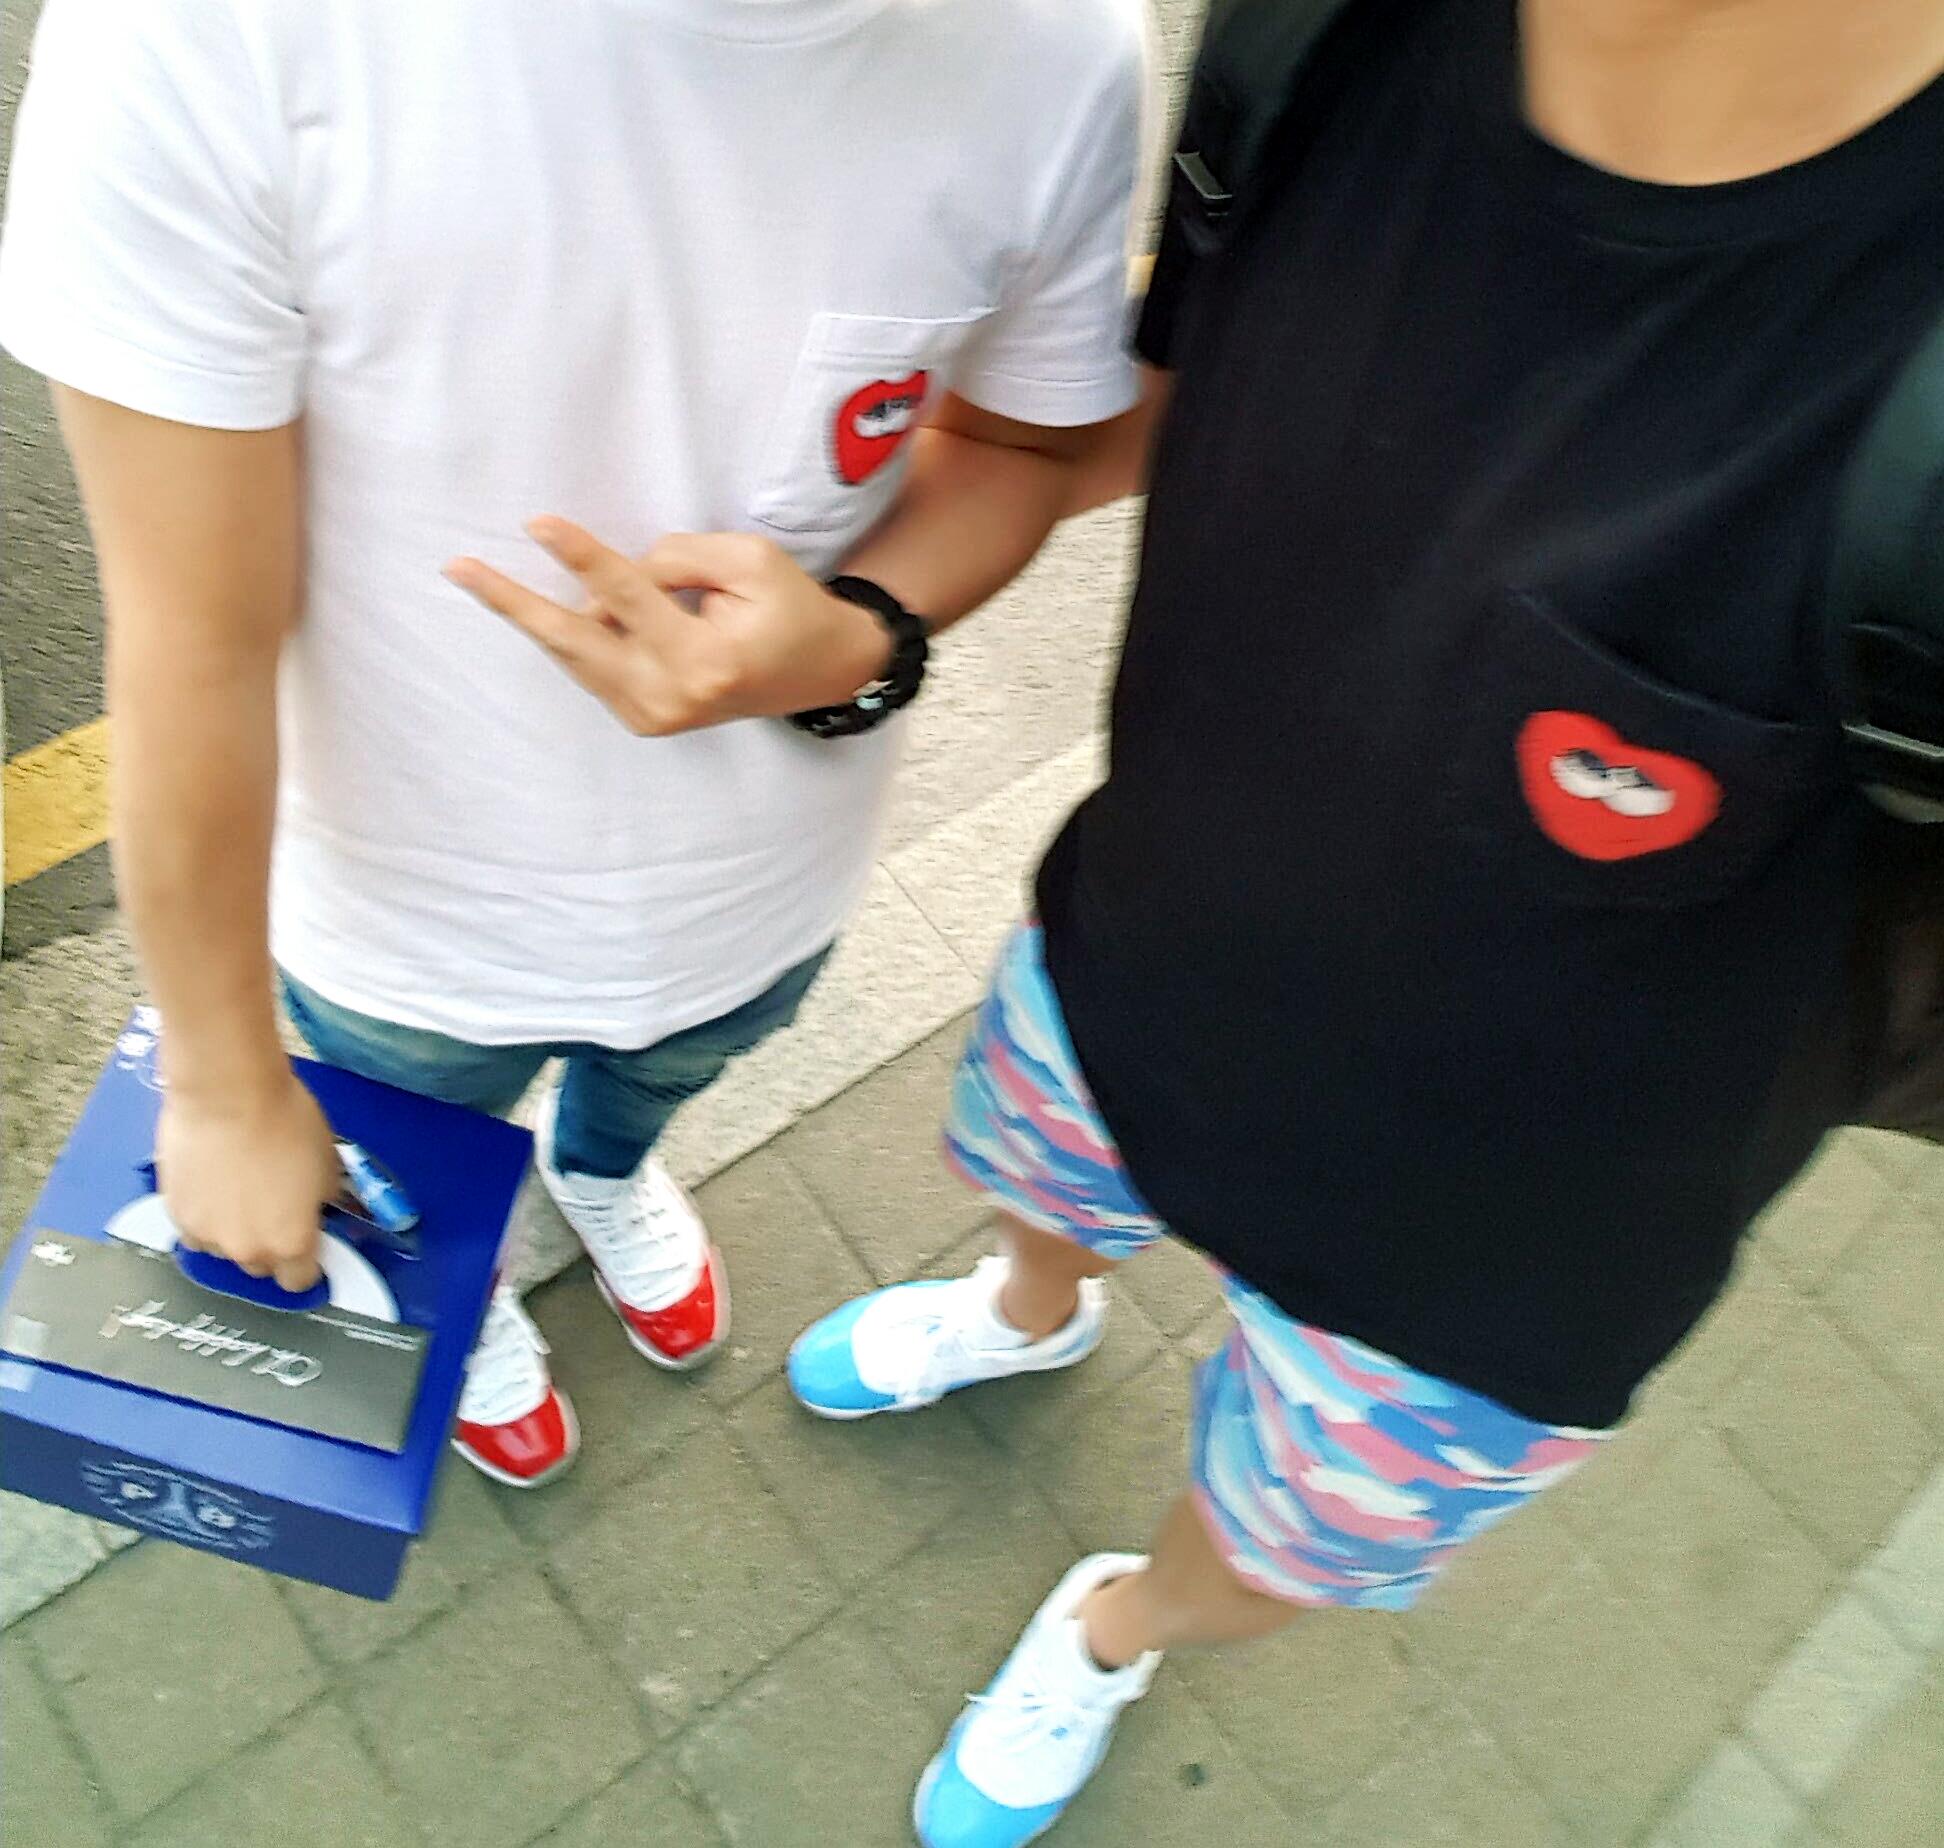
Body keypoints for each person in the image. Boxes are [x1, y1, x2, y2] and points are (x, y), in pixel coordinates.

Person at [790, 0, 1944, 1841]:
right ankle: (1026, 1310)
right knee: (1044, 1187)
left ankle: (1113, 1629)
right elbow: (1145, 399)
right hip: (1143, 965)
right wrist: (853, 589)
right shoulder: (1318, 35)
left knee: (1287, 1543)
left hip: (1506, 1244)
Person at [0, 0, 1151, 1488]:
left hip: (768, 891)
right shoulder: (214, 32)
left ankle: (601, 1174)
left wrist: (863, 632)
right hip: (404, 929)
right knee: (410, 1159)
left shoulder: (1061, 47)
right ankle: (456, 1281)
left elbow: (1018, 442)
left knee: (654, 1088)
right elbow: (189, 635)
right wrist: (222, 1086)